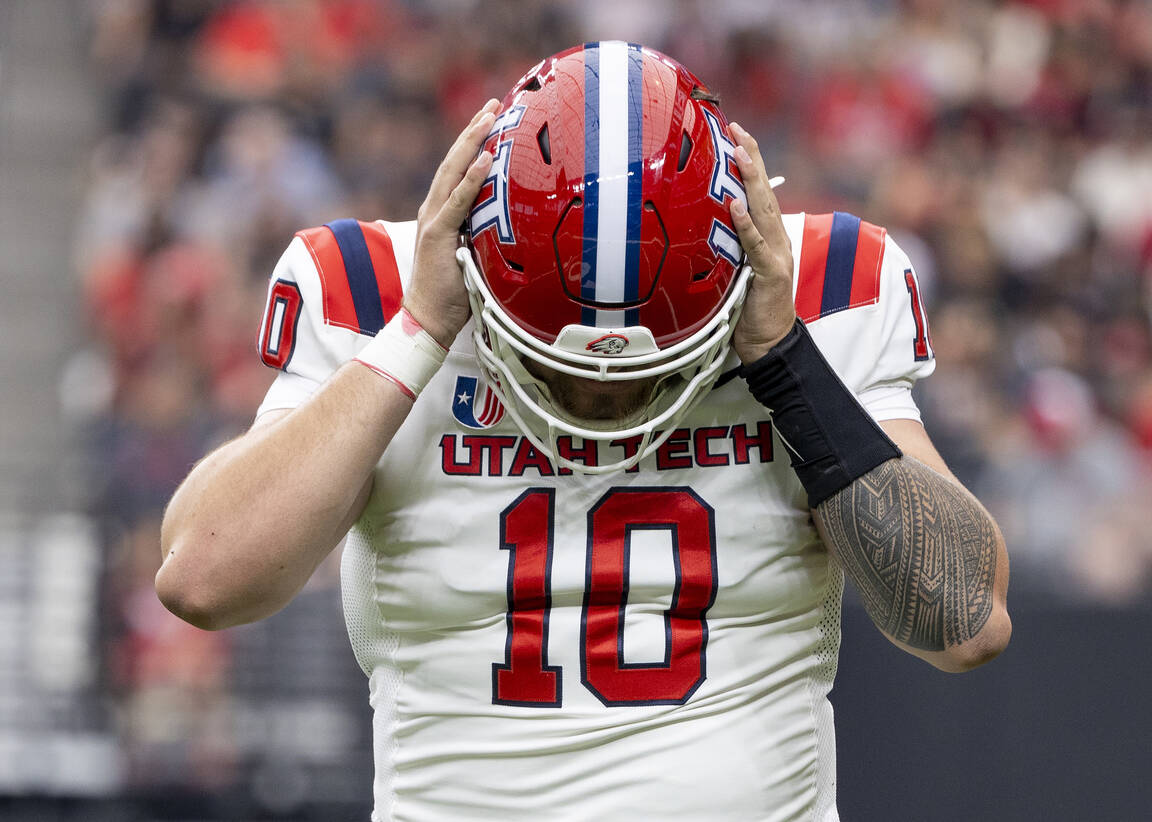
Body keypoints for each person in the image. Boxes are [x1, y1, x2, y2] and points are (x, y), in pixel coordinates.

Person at [157, 42, 1010, 821]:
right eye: (558, 366)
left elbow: (963, 620)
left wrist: (786, 358)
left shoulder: (818, 291)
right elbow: (204, 577)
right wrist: (415, 332)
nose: (601, 400)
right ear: (475, 262)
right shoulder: (377, 292)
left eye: (652, 367)